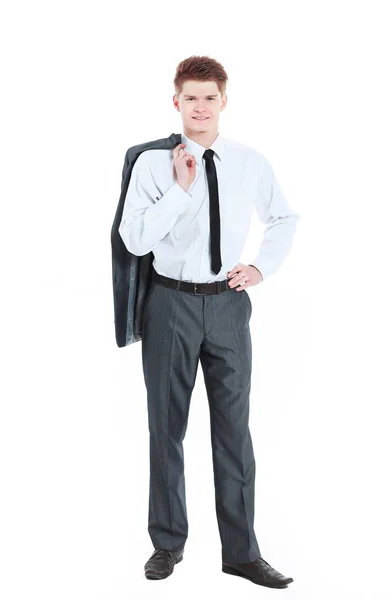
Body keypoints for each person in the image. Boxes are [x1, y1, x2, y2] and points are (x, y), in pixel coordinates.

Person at [118, 55, 299, 588]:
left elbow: (285, 217)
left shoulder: (249, 162)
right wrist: (179, 188)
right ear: (176, 102)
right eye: (190, 97)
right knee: (166, 429)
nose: (200, 106)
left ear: (224, 101)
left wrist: (260, 267)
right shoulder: (152, 165)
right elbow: (135, 241)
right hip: (170, 304)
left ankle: (241, 552)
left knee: (234, 433)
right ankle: (167, 545)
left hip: (226, 304)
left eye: (210, 97)